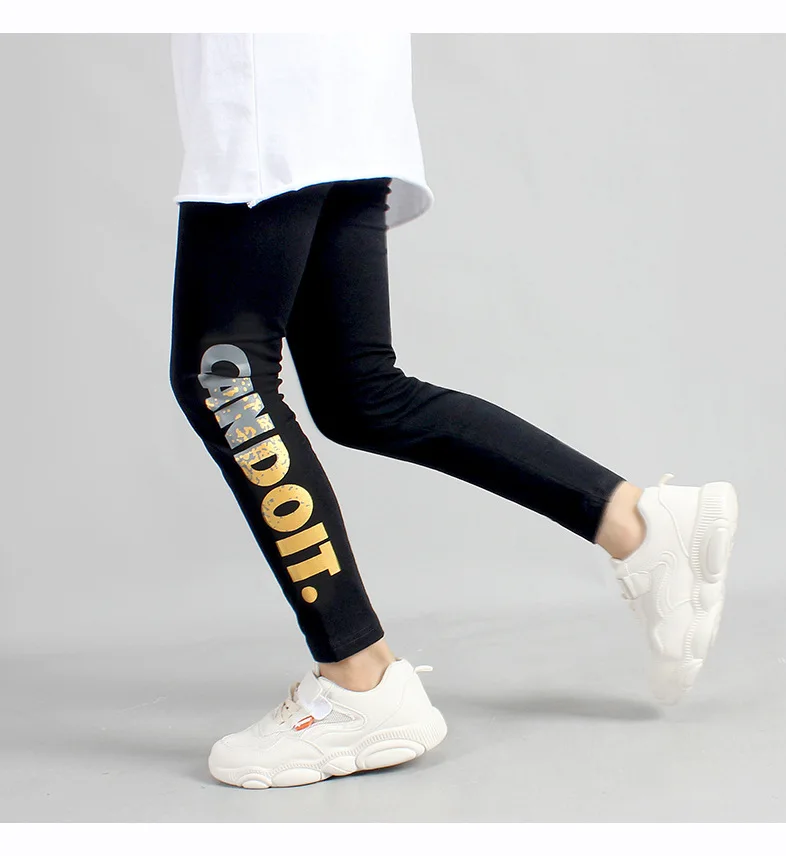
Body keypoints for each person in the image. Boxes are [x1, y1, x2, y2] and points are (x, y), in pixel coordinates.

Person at [168, 33, 738, 790]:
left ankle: (358, 679)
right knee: (360, 394)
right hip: (340, 91)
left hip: (269, 89)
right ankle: (636, 523)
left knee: (225, 380)